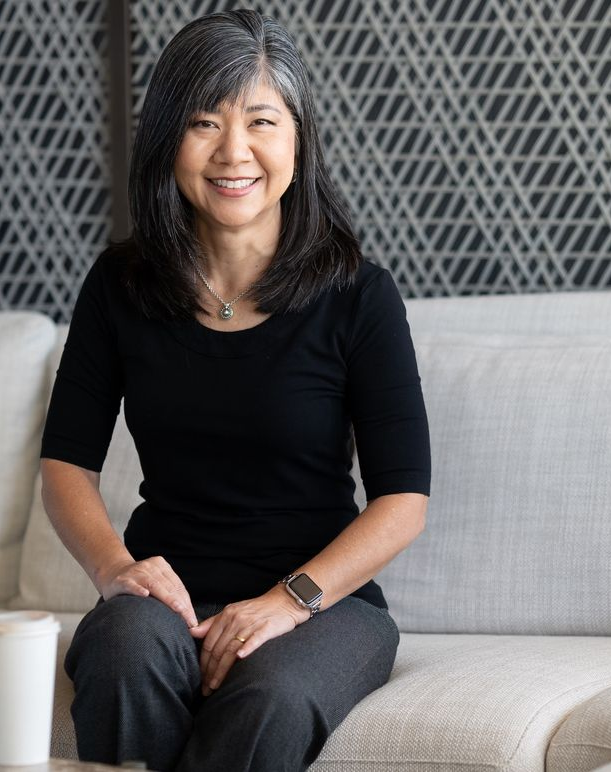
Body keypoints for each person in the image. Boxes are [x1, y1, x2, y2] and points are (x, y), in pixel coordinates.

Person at [40, 9, 430, 772]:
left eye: (260, 120)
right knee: (123, 652)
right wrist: (116, 570)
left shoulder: (359, 295)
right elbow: (65, 465)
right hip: (169, 597)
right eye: (203, 122)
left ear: (297, 140)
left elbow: (403, 500)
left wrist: (284, 604)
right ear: (167, 141)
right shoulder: (121, 287)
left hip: (325, 606)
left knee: (270, 695)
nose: (234, 151)